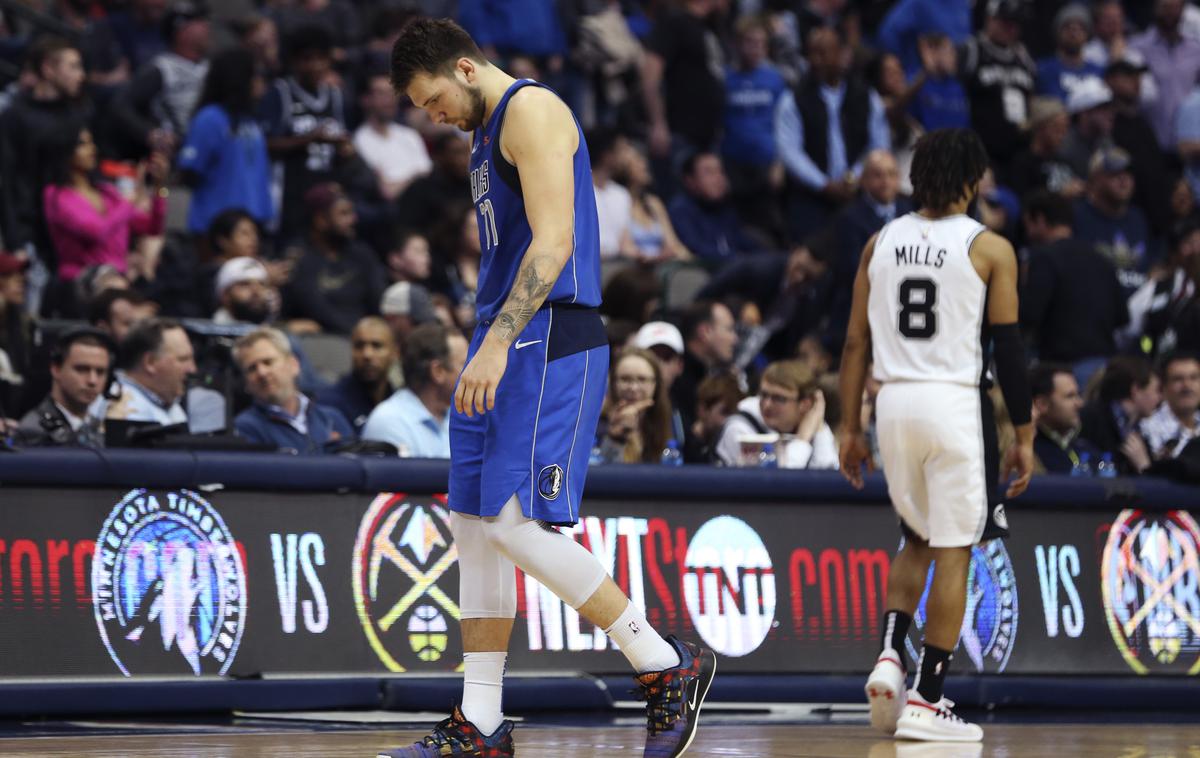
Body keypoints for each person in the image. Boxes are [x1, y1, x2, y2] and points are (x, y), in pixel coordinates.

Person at [382, 19, 714, 757]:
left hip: (548, 333)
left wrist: (498, 341)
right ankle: (482, 719)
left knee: (513, 524)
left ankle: (662, 663)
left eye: (430, 97)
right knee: (473, 527)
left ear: (465, 70)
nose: (429, 114)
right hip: (499, 333)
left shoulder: (531, 110)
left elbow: (555, 239)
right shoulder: (479, 133)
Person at [839, 128, 1034, 742]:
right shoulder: (990, 248)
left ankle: (891, 655)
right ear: (974, 181)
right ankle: (927, 700)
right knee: (955, 550)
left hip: (891, 402)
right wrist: (1024, 433)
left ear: (914, 177)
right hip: (954, 403)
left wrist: (848, 426)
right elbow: (1011, 349)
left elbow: (853, 343)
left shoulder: (879, 241)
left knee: (915, 537)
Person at [1019, 190, 1127, 384]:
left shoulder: (1044, 258)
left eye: (1027, 223)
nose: (1027, 233)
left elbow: (1029, 314)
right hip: (1106, 367)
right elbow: (1122, 316)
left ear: (1040, 220)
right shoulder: (1101, 259)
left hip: (1065, 371)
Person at [42, 125, 168, 285]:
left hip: (117, 280)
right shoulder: (57, 195)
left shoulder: (107, 192)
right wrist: (131, 202)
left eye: (92, 143)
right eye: (83, 144)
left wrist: (159, 186)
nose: (92, 149)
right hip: (80, 282)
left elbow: (152, 228)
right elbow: (96, 231)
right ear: (64, 150)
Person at [177, 47, 272, 235]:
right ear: (239, 80)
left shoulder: (251, 121)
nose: (261, 83)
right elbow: (189, 172)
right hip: (216, 228)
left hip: (252, 223)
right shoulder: (210, 118)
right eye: (255, 76)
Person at [107, 1, 211, 160]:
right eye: (198, 22)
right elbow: (121, 105)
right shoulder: (162, 69)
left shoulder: (209, 66)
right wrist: (151, 133)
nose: (206, 27)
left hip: (206, 152)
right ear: (181, 30)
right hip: (175, 158)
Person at [283, 183, 387, 334]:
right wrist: (356, 333)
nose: (353, 219)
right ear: (321, 220)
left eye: (352, 212)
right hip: (323, 340)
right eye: (344, 214)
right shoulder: (299, 257)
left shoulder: (363, 254)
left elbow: (378, 300)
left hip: (364, 336)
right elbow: (317, 310)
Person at [232, 327, 353, 452]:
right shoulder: (244, 428)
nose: (262, 372)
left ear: (293, 365)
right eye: (252, 368)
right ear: (245, 383)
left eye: (268, 362)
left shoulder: (332, 419)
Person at [361, 322, 465, 457]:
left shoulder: (462, 415)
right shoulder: (389, 421)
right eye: (466, 363)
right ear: (438, 371)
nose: (474, 373)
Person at [715, 359, 836, 469]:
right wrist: (802, 440)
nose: (767, 405)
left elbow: (828, 473)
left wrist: (819, 426)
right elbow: (778, 484)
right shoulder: (739, 427)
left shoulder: (809, 422)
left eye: (779, 398)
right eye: (764, 395)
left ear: (805, 404)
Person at [18, 328, 112, 447]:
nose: (92, 381)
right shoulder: (33, 432)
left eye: (100, 372)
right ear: (56, 369)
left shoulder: (105, 430)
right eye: (82, 369)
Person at [354, 72, 433, 202]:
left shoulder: (409, 135)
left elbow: (428, 175)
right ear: (365, 99)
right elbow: (388, 193)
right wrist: (415, 176)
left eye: (392, 93)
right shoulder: (360, 140)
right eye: (381, 94)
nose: (389, 100)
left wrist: (401, 182)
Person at [105, 317, 196, 427]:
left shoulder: (168, 402)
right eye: (183, 359)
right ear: (150, 362)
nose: (192, 369)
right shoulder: (123, 409)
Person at [1080, 355, 1161, 474]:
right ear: (1136, 390)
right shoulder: (1092, 419)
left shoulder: (1136, 430)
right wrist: (1144, 466)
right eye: (1156, 390)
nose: (1159, 398)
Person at [318, 316, 398, 433]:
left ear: (395, 352)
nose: (367, 354)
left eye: (376, 346)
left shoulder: (400, 403)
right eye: (359, 346)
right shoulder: (330, 404)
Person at [594, 347, 674, 464]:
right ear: (613, 383)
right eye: (625, 379)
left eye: (642, 380)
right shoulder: (596, 423)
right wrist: (615, 439)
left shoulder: (667, 421)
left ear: (655, 384)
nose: (633, 387)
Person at [1029, 363, 1092, 474]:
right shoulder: (1030, 454)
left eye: (1078, 395)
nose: (1080, 403)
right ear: (1042, 404)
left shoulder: (1089, 449)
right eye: (1070, 396)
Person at [1139, 351, 1200, 462]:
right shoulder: (1148, 428)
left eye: (1194, 378)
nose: (1187, 386)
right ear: (1164, 388)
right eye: (1178, 379)